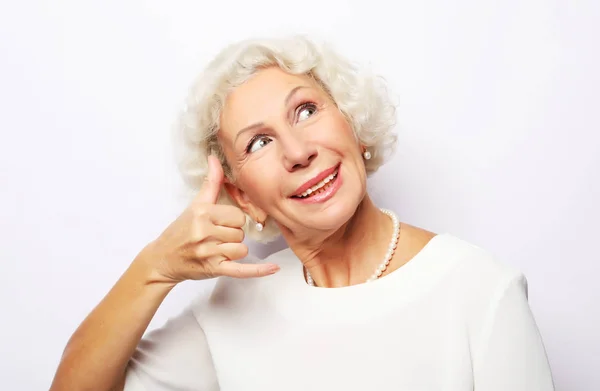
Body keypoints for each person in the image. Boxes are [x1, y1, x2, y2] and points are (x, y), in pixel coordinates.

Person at [49, 35, 555, 391]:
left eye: (306, 111)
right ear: (242, 196)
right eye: (260, 141)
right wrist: (154, 268)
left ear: (353, 125)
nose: (297, 151)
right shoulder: (235, 307)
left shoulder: (481, 292)